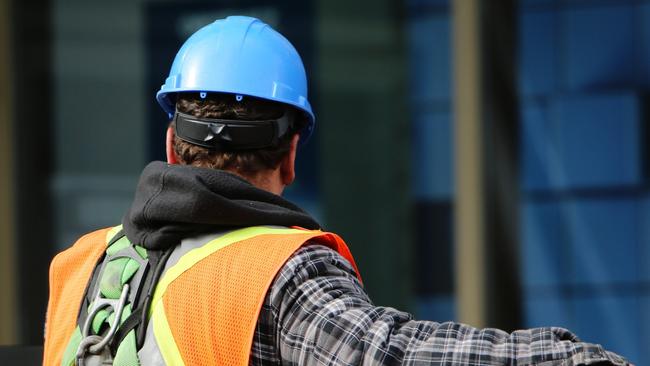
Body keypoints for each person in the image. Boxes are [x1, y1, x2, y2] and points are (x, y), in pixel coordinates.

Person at [43, 16, 630, 366]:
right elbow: (388, 356)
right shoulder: (274, 273)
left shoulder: (79, 266)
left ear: (173, 146)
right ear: (292, 153)